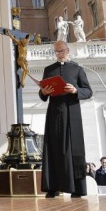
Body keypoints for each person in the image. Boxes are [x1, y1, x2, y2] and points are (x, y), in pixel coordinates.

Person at [39, 40, 92, 198]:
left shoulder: (77, 69)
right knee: (53, 148)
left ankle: (76, 189)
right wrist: (44, 92)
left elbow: (88, 91)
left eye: (61, 51)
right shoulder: (49, 70)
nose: (59, 54)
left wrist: (75, 90)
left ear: (67, 50)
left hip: (71, 113)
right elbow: (42, 94)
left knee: (71, 149)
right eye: (56, 52)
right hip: (54, 113)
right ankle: (52, 187)